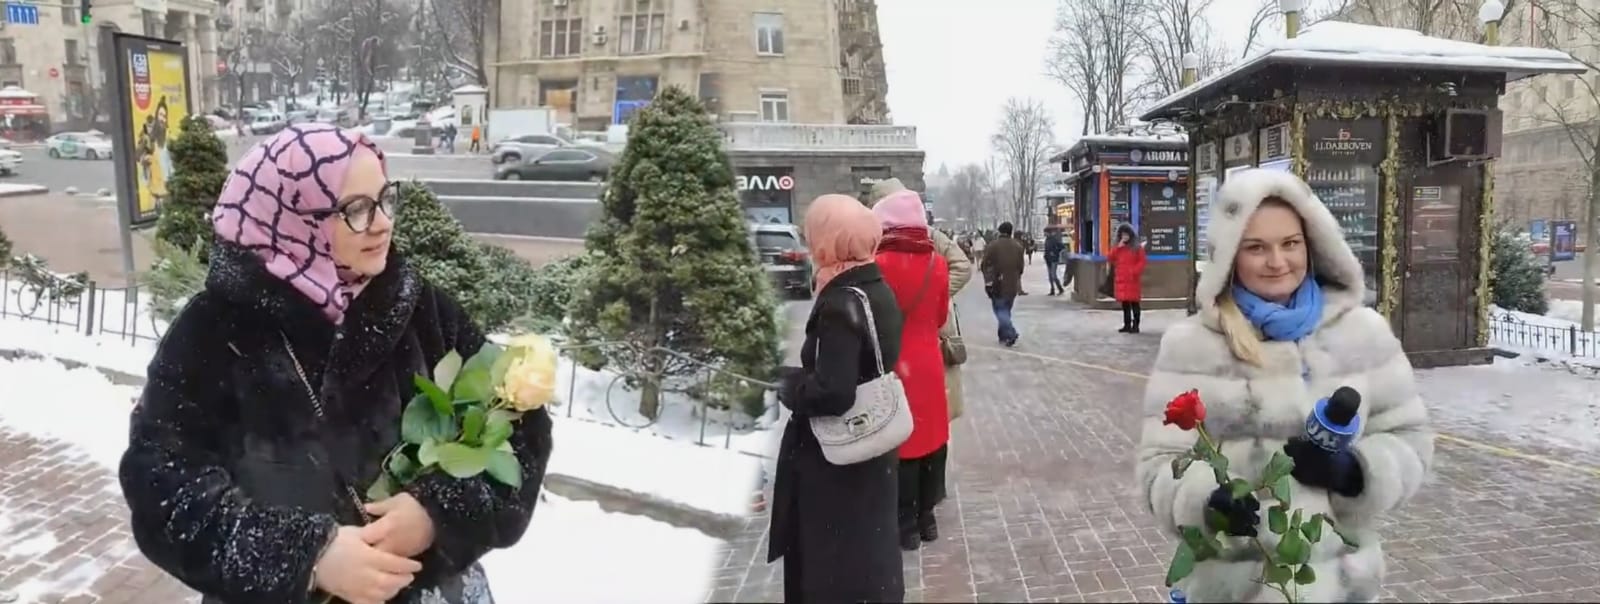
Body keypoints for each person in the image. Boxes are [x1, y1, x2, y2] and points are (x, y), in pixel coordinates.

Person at [119, 124, 554, 604]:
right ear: (289, 218)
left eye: (385, 199)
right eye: (356, 209)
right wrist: (307, 557)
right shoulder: (215, 330)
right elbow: (164, 486)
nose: (383, 222)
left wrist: (438, 513)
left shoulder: (420, 307)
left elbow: (519, 424)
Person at [1135, 169, 1433, 603]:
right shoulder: (1191, 346)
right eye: (1256, 247)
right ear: (1231, 255)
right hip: (1228, 590)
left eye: (1290, 244)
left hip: (1339, 587)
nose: (1278, 262)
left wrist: (1355, 472)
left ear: (1312, 245)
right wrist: (1206, 501)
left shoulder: (1362, 334)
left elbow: (1411, 439)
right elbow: (1157, 465)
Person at [768, 194, 905, 603]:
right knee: (867, 552)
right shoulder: (875, 286)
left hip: (836, 458)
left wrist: (787, 383)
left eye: (815, 232)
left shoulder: (840, 302)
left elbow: (834, 391)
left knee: (834, 562)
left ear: (832, 239)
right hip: (871, 447)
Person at [869, 188, 952, 551]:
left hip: (892, 364)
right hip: (928, 363)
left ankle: (904, 524)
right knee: (932, 439)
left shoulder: (876, 265)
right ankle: (927, 517)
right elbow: (940, 317)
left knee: (900, 442)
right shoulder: (938, 263)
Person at [869, 178, 972, 433]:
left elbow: (962, 266)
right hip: (910, 332)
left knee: (929, 401)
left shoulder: (927, 234)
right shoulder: (877, 237)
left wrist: (934, 294)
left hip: (928, 327)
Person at [980, 222, 1025, 347]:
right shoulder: (1018, 246)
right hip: (1012, 284)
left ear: (1000, 231)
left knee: (999, 310)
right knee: (1006, 310)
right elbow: (1021, 267)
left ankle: (1010, 333)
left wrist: (988, 280)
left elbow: (985, 265)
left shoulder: (993, 246)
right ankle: (1003, 335)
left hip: (997, 283)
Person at [1107, 224, 1148, 333]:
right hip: (1122, 280)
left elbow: (1142, 261)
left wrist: (1134, 272)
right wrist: (1117, 247)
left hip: (1132, 280)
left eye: (1126, 235)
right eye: (1123, 235)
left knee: (1134, 303)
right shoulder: (1118, 247)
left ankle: (1136, 325)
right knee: (1125, 304)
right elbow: (1110, 258)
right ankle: (1127, 324)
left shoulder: (1137, 248)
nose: (1125, 237)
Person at [1044, 226, 1067, 296]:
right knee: (1050, 276)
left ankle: (1060, 289)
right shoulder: (1047, 240)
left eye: (1045, 232)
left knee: (1053, 275)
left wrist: (1055, 252)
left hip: (1054, 259)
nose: (1044, 234)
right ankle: (1052, 289)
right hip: (1048, 259)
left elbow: (1062, 247)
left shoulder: (1054, 239)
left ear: (1049, 233)